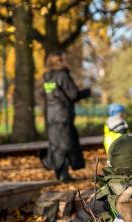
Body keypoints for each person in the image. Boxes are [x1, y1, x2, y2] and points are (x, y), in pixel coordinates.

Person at [41, 51, 91, 182]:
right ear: (58, 61)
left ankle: (58, 172)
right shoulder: (62, 75)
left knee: (56, 143)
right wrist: (86, 92)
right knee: (66, 143)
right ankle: (64, 174)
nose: (66, 61)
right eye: (64, 59)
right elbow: (73, 94)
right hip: (63, 115)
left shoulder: (47, 76)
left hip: (52, 116)